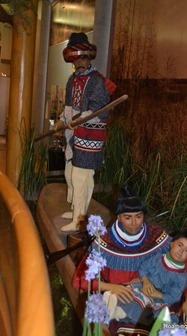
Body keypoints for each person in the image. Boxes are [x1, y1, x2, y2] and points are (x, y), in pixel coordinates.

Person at [72, 186, 187, 334]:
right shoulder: (103, 243)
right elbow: (81, 280)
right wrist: (111, 287)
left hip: (156, 296)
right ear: (118, 217)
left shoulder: (156, 236)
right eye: (127, 217)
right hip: (120, 299)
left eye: (139, 216)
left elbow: (184, 265)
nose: (134, 223)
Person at [53, 32, 115, 232]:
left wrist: (79, 119)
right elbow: (69, 106)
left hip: (90, 137)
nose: (79, 62)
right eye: (76, 58)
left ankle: (80, 218)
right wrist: (61, 121)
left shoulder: (98, 81)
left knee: (82, 178)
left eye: (83, 57)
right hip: (73, 135)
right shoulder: (72, 80)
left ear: (88, 57)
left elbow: (98, 110)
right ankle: (75, 209)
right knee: (70, 173)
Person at [103, 231, 187, 326]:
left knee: (150, 310)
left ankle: (116, 312)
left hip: (158, 300)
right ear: (171, 244)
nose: (180, 251)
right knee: (129, 293)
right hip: (142, 287)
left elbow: (173, 298)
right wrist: (146, 281)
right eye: (179, 245)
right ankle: (113, 302)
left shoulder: (181, 277)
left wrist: (158, 294)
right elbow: (143, 268)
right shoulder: (157, 258)